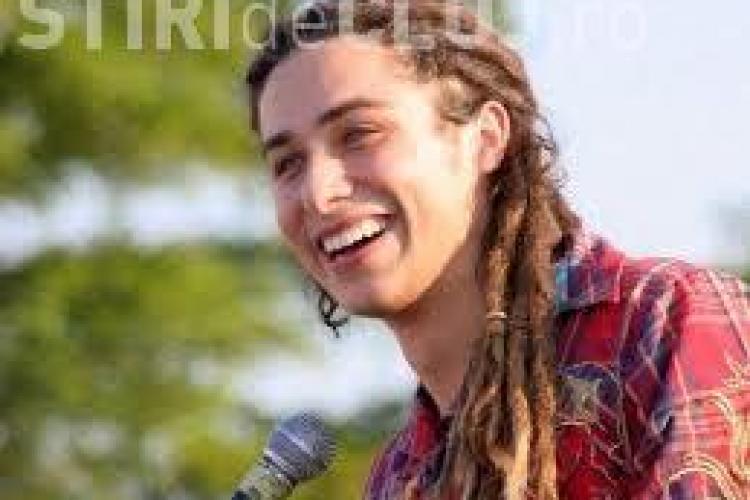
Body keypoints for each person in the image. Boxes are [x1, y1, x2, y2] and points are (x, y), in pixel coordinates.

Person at [245, 1, 750, 498]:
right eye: (287, 163)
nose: (318, 192)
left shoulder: (662, 322)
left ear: (486, 138)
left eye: (359, 134)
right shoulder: (399, 479)